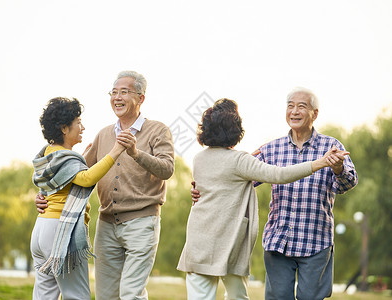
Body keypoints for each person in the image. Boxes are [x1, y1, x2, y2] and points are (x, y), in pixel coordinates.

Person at [191, 88, 358, 300]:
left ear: (315, 113)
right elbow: (240, 181)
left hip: (315, 241)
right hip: (279, 241)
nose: (294, 111)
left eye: (301, 106)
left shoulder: (331, 147)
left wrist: (337, 169)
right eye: (290, 106)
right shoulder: (271, 149)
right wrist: (202, 187)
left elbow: (349, 182)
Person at [36, 71, 175, 300]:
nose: (117, 97)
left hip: (142, 223)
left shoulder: (158, 130)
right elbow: (75, 175)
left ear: (141, 98)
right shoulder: (103, 134)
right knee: (105, 295)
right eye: (114, 92)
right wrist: (44, 195)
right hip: (107, 224)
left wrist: (136, 153)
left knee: (131, 294)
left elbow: (167, 169)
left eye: (124, 92)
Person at [31, 97, 128, 299]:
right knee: (77, 295)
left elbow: (65, 178)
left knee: (44, 295)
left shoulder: (50, 155)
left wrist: (80, 159)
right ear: (64, 128)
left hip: (41, 231)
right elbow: (85, 178)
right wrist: (116, 151)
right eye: (78, 122)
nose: (82, 127)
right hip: (59, 232)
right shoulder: (66, 158)